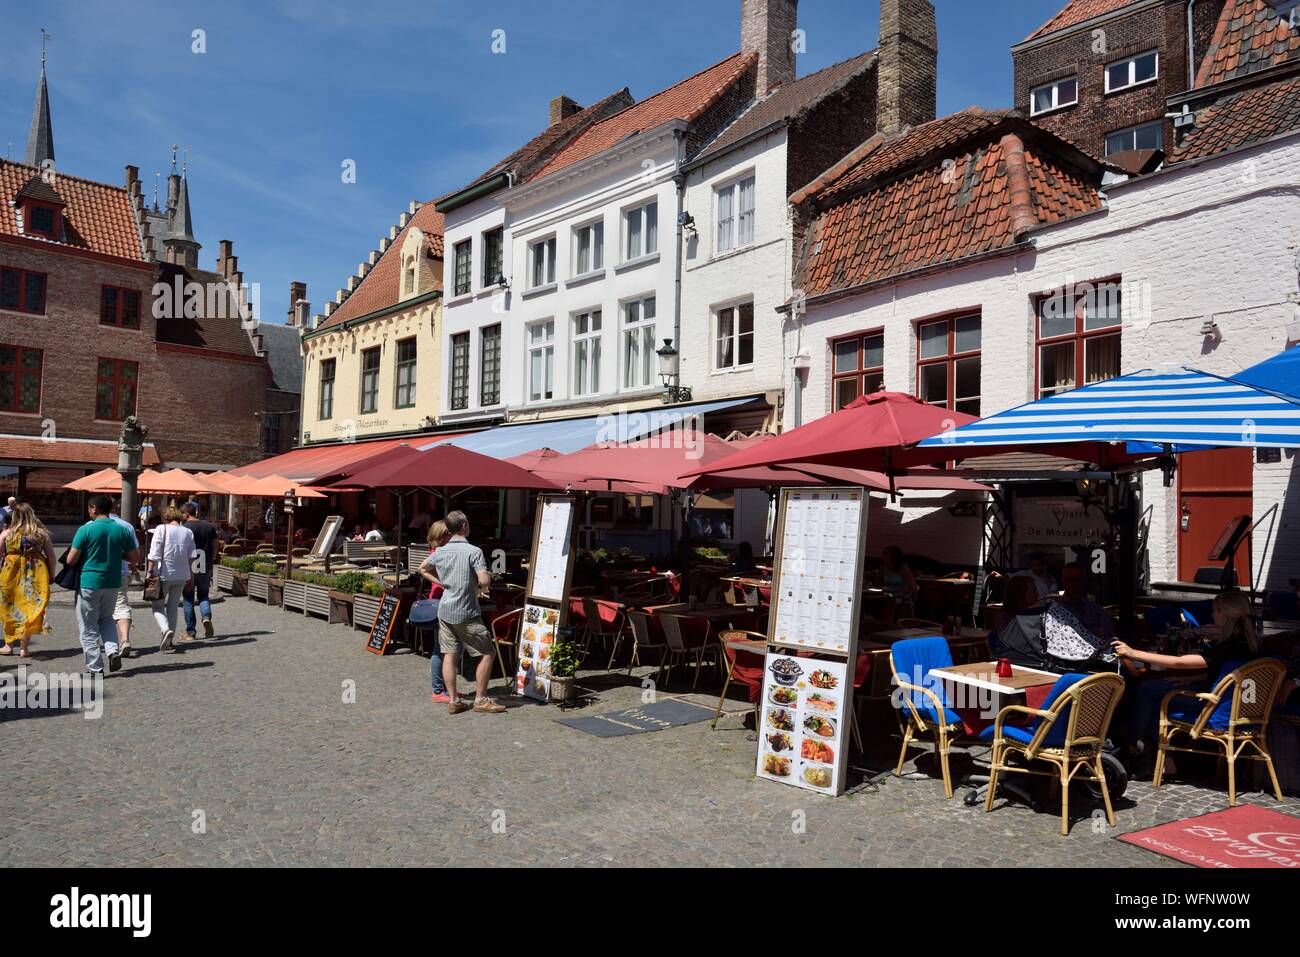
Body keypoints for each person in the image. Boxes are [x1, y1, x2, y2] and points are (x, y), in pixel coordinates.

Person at [1112, 591, 1263, 772]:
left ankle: (1135, 747)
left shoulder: (1229, 646)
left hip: (1218, 708)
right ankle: (1155, 756)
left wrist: (1133, 653)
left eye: (1215, 610)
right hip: (1238, 705)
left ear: (1226, 613)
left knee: (1150, 692)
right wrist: (1192, 678)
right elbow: (1231, 674)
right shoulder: (1250, 643)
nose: (1212, 615)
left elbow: (1180, 662)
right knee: (1153, 690)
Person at [424, 511, 505, 715]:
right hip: (465, 610)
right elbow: (484, 580)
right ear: (465, 526)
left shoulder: (440, 551)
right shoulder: (473, 551)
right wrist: (482, 588)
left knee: (449, 655)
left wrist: (442, 583)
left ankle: (453, 701)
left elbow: (422, 568)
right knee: (488, 653)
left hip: (445, 608)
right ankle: (480, 699)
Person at [68, 495, 142, 675]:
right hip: (113, 581)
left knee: (88, 625)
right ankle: (112, 651)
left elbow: (71, 559)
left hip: (90, 582)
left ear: (94, 508)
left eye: (89, 508)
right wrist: (116, 554)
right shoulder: (122, 530)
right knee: (107, 619)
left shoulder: (85, 529)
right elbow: (135, 558)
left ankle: (95, 667)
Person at [0, 503, 56, 658]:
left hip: (10, 573)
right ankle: (24, 648)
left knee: (9, 606)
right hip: (36, 573)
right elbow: (51, 557)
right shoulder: (41, 533)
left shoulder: (7, 533)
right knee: (30, 607)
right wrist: (52, 575)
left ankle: (8, 645)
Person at [417, 520, 457, 704]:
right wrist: (443, 583)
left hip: (441, 598)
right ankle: (438, 690)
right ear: (443, 535)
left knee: (444, 647)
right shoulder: (440, 552)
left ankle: (445, 689)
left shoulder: (437, 550)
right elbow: (423, 569)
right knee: (440, 648)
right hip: (440, 600)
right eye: (450, 533)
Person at [146, 507, 196, 652]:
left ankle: (165, 629)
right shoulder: (187, 532)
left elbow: (154, 553)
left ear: (165, 517)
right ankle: (169, 640)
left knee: (157, 606)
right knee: (173, 607)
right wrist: (191, 576)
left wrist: (149, 571)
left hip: (164, 574)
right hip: (182, 574)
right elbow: (192, 556)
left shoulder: (161, 529)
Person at [1052, 562, 1116, 641]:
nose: (1072, 583)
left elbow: (1111, 637)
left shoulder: (1095, 610)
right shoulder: (1054, 610)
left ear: (1083, 581)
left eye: (1076, 579)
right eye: (1068, 579)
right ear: (1062, 580)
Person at [181, 502, 217, 640]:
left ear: (186, 514)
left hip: (189, 565)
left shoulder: (184, 528)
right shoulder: (209, 526)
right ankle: (206, 617)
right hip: (205, 564)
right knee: (203, 595)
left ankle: (191, 632)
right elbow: (215, 545)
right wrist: (212, 558)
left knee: (188, 599)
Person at [107, 506, 139, 657]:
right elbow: (134, 553)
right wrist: (133, 566)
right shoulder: (127, 526)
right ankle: (125, 639)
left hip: (96, 574)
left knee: (99, 611)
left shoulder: (89, 526)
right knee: (121, 604)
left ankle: (107, 645)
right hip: (120, 571)